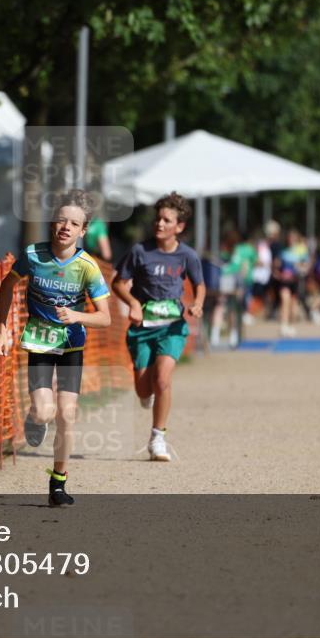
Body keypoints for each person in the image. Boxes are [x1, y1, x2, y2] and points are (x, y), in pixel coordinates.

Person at [0, 189, 112, 506]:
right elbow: (8, 284)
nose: (66, 227)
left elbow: (105, 318)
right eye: (61, 220)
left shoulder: (88, 266)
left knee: (67, 415)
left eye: (74, 223)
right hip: (40, 345)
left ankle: (58, 483)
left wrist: (76, 315)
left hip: (72, 347)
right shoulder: (33, 256)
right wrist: (2, 329)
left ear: (83, 230)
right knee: (45, 412)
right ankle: (34, 418)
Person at [112, 192, 206, 462]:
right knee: (144, 389)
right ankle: (148, 394)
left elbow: (199, 284)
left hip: (172, 327)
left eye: (167, 220)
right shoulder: (140, 251)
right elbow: (118, 283)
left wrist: (197, 304)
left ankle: (157, 438)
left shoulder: (187, 255)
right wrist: (133, 303)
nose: (160, 224)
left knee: (163, 379)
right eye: (158, 219)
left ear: (179, 226)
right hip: (143, 327)